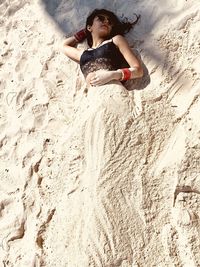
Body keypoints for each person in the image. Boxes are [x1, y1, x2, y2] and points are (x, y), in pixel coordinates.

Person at [59, 9, 145, 266]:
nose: (107, 23)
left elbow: (137, 69)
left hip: (112, 97)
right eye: (101, 20)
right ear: (90, 25)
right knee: (94, 167)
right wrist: (82, 33)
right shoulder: (83, 54)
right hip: (91, 107)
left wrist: (113, 74)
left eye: (109, 20)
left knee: (108, 164)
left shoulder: (115, 42)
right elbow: (63, 45)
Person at [62, 8, 143, 87]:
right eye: (101, 18)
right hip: (92, 98)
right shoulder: (83, 54)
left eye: (110, 22)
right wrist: (85, 32)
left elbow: (138, 71)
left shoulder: (116, 40)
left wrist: (112, 75)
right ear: (89, 27)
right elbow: (65, 46)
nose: (106, 21)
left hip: (114, 93)